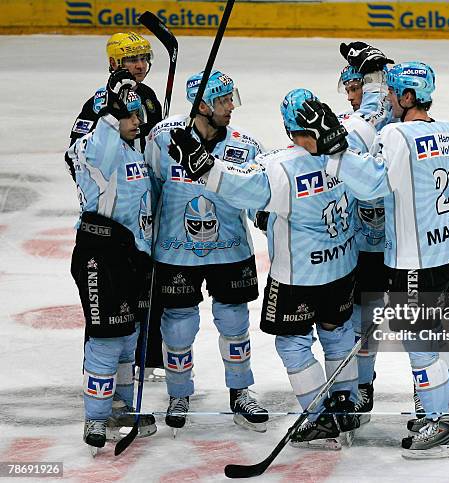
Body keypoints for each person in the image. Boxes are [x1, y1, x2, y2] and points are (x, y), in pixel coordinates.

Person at [297, 60, 449, 458]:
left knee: (419, 340)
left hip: (418, 258)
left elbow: (371, 185)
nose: (387, 104)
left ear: (407, 97)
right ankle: (441, 410)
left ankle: (439, 423)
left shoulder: (399, 134)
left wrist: (336, 150)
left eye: (392, 95)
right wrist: (447, 223)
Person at [166, 88, 363, 449]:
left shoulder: (281, 167)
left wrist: (202, 164)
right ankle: (348, 405)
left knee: (293, 343)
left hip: (299, 276)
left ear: (289, 129)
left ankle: (319, 417)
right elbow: (370, 120)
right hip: (343, 265)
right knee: (337, 332)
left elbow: (239, 184)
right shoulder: (349, 150)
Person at [144, 70, 268, 435]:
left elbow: (255, 196)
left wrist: (266, 217)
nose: (231, 107)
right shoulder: (163, 137)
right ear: (202, 105)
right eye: (223, 100)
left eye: (232, 98)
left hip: (229, 248)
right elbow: (148, 187)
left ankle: (241, 392)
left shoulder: (246, 146)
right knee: (179, 327)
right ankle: (178, 393)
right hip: (174, 251)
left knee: (234, 322)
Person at [66, 31, 165, 384]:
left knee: (142, 293)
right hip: (114, 211)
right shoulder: (100, 102)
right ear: (113, 64)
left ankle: (144, 358)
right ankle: (101, 368)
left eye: (143, 58)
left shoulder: (149, 97)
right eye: (130, 60)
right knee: (107, 302)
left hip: (144, 208)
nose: (139, 66)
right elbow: (76, 152)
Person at [66, 70, 158, 454]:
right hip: (99, 255)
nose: (139, 122)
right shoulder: (93, 147)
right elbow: (101, 153)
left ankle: (120, 407)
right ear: (111, 117)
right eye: (131, 115)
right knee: (106, 338)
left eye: (138, 115)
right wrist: (109, 109)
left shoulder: (132, 148)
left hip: (131, 256)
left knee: (129, 337)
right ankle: (96, 416)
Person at [337, 43, 395, 425]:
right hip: (351, 245)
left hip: (387, 246)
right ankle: (357, 383)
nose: (353, 95)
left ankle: (367, 381)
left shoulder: (395, 128)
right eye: (350, 88)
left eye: (361, 87)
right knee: (353, 318)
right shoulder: (345, 125)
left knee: (376, 317)